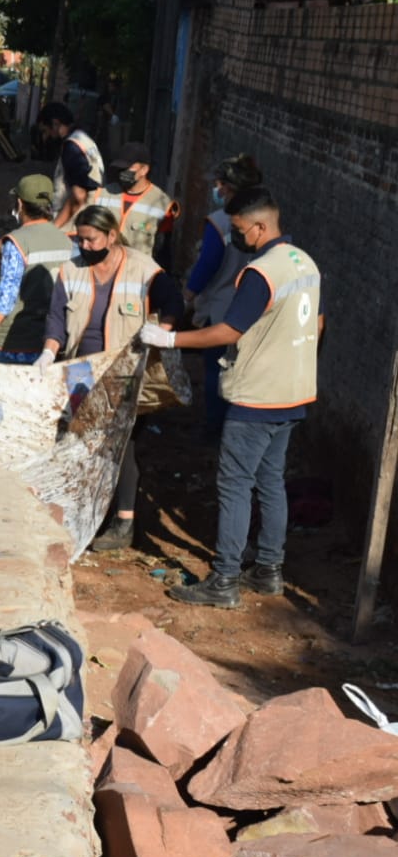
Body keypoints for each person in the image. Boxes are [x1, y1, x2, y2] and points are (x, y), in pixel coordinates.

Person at [139, 187, 322, 608]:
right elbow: (320, 323)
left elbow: (228, 332)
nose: (238, 238)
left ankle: (224, 580)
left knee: (236, 485)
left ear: (261, 226)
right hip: (294, 392)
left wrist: (170, 338)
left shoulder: (262, 273)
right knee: (270, 481)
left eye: (240, 230)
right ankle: (269, 571)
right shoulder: (305, 263)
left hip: (257, 396)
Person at [37, 205, 183, 550]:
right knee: (79, 441)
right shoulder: (70, 271)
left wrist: (162, 331)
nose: (84, 246)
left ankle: (123, 522)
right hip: (81, 370)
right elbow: (57, 317)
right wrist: (48, 349)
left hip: (124, 372)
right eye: (80, 239)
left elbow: (173, 302)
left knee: (121, 444)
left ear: (111, 236)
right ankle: (83, 513)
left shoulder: (143, 269)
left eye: (91, 239)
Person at [185, 154, 265, 435]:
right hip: (256, 308)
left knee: (215, 369)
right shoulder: (264, 220)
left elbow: (207, 263)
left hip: (221, 308)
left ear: (230, 188)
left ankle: (214, 427)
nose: (216, 189)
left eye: (220, 184)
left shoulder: (220, 222)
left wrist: (189, 293)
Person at [0, 175, 74, 363]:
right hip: (52, 345)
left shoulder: (16, 242)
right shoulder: (67, 241)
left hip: (13, 343)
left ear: (20, 204)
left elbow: (6, 297)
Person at [91, 142, 180, 266]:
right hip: (103, 268)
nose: (122, 173)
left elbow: (163, 249)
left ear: (144, 169)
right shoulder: (103, 194)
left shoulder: (162, 203)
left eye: (127, 168)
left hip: (136, 274)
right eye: (120, 169)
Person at [38, 102, 105, 230]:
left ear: (55, 123)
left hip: (73, 225)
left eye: (45, 130)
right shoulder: (84, 139)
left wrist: (55, 227)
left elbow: (79, 195)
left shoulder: (72, 147)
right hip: (90, 218)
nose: (46, 136)